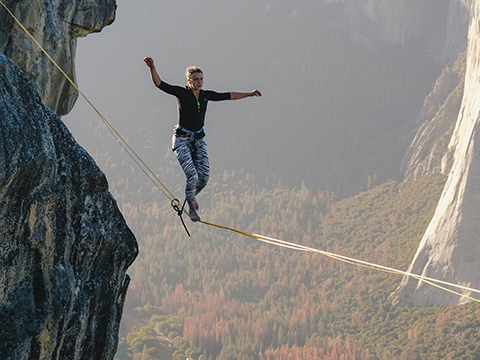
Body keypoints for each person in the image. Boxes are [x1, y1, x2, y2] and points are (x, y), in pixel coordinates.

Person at [144, 56, 262, 222]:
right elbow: (160, 84)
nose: (200, 82)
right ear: (189, 80)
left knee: (204, 177)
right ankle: (192, 208)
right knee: (192, 175)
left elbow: (229, 96)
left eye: (201, 79)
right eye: (196, 80)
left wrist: (249, 94)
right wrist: (152, 67)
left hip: (198, 139)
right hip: (182, 140)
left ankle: (190, 196)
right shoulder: (182, 93)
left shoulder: (206, 95)